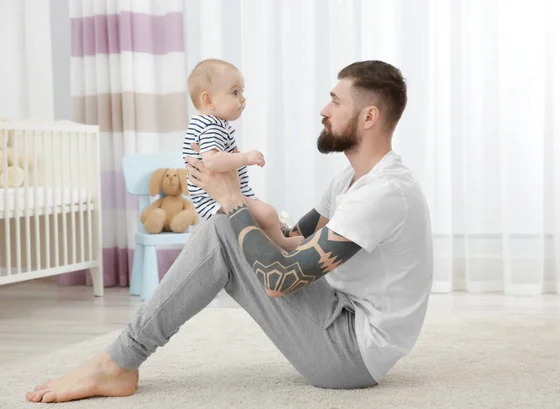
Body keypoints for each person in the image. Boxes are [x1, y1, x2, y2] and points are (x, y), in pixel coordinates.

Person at [25, 60, 433, 403]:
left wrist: (232, 200)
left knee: (225, 225)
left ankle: (117, 362)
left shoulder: (384, 193)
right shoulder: (351, 180)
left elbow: (280, 279)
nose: (323, 110)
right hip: (338, 319)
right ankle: (119, 359)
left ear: (368, 116)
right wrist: (247, 211)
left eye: (335, 100)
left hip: (348, 354)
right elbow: (293, 236)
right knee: (230, 226)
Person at [182, 58, 304, 251]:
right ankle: (281, 243)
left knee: (263, 216)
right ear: (208, 100)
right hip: (214, 198)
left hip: (219, 194)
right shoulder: (211, 126)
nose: (243, 99)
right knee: (268, 214)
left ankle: (273, 240)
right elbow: (212, 161)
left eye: (242, 92)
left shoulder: (210, 123)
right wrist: (245, 158)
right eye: (235, 92)